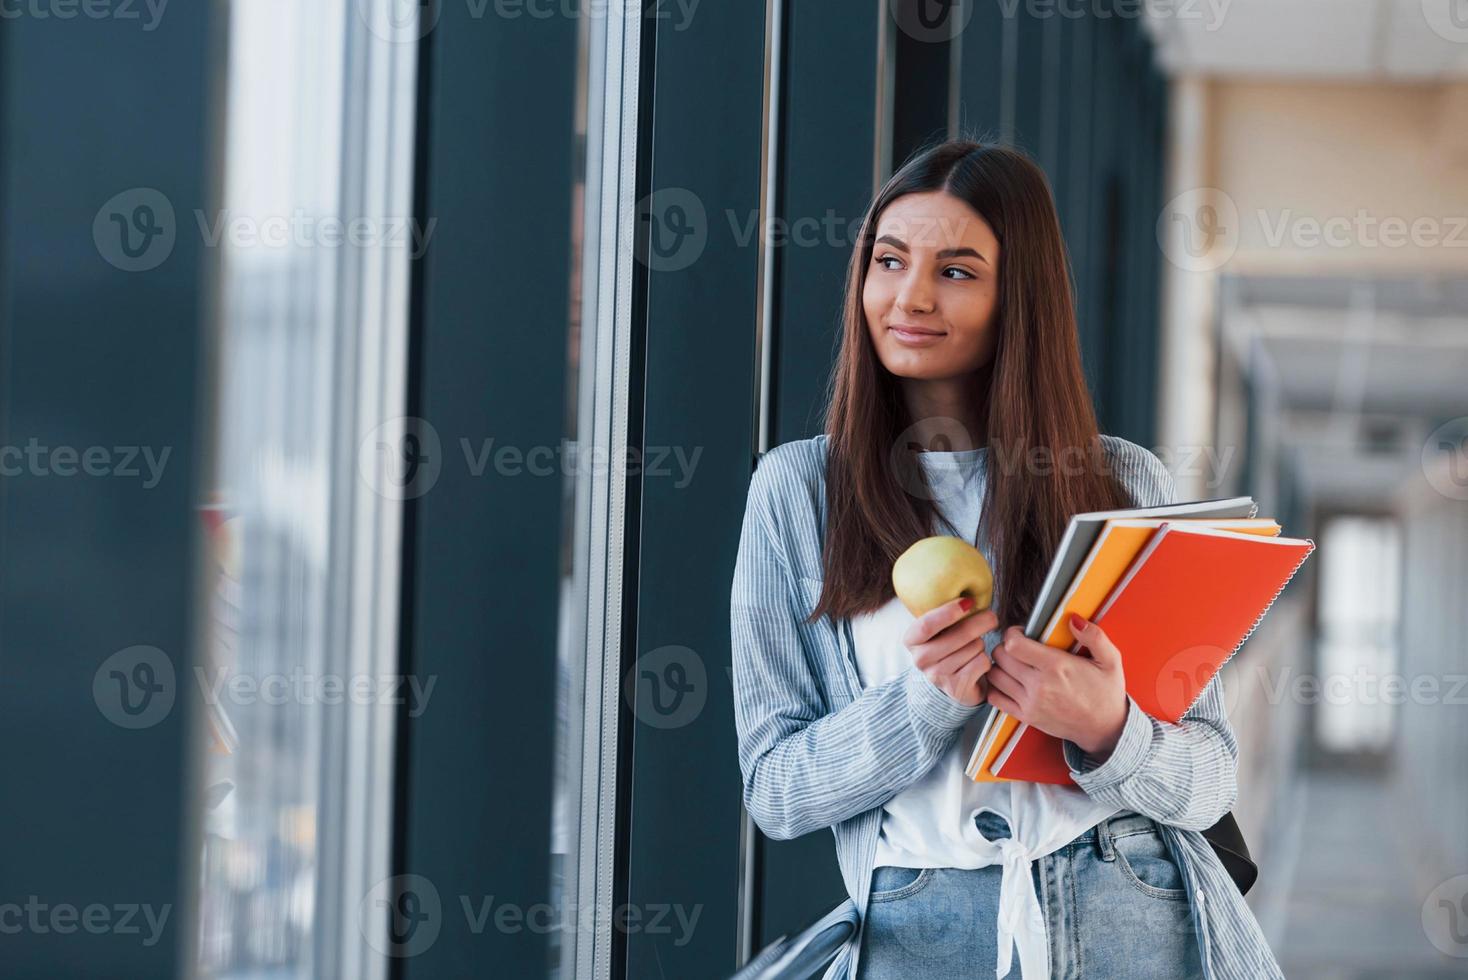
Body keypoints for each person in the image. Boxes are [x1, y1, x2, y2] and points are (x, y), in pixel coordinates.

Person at [730, 139, 1284, 979]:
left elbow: (1208, 781)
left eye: (956, 271)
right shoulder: (799, 492)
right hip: (919, 926)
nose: (909, 296)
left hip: (1129, 905)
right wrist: (920, 706)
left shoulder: (1120, 479)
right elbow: (775, 791)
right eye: (889, 261)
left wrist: (1107, 729)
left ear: (1016, 297)